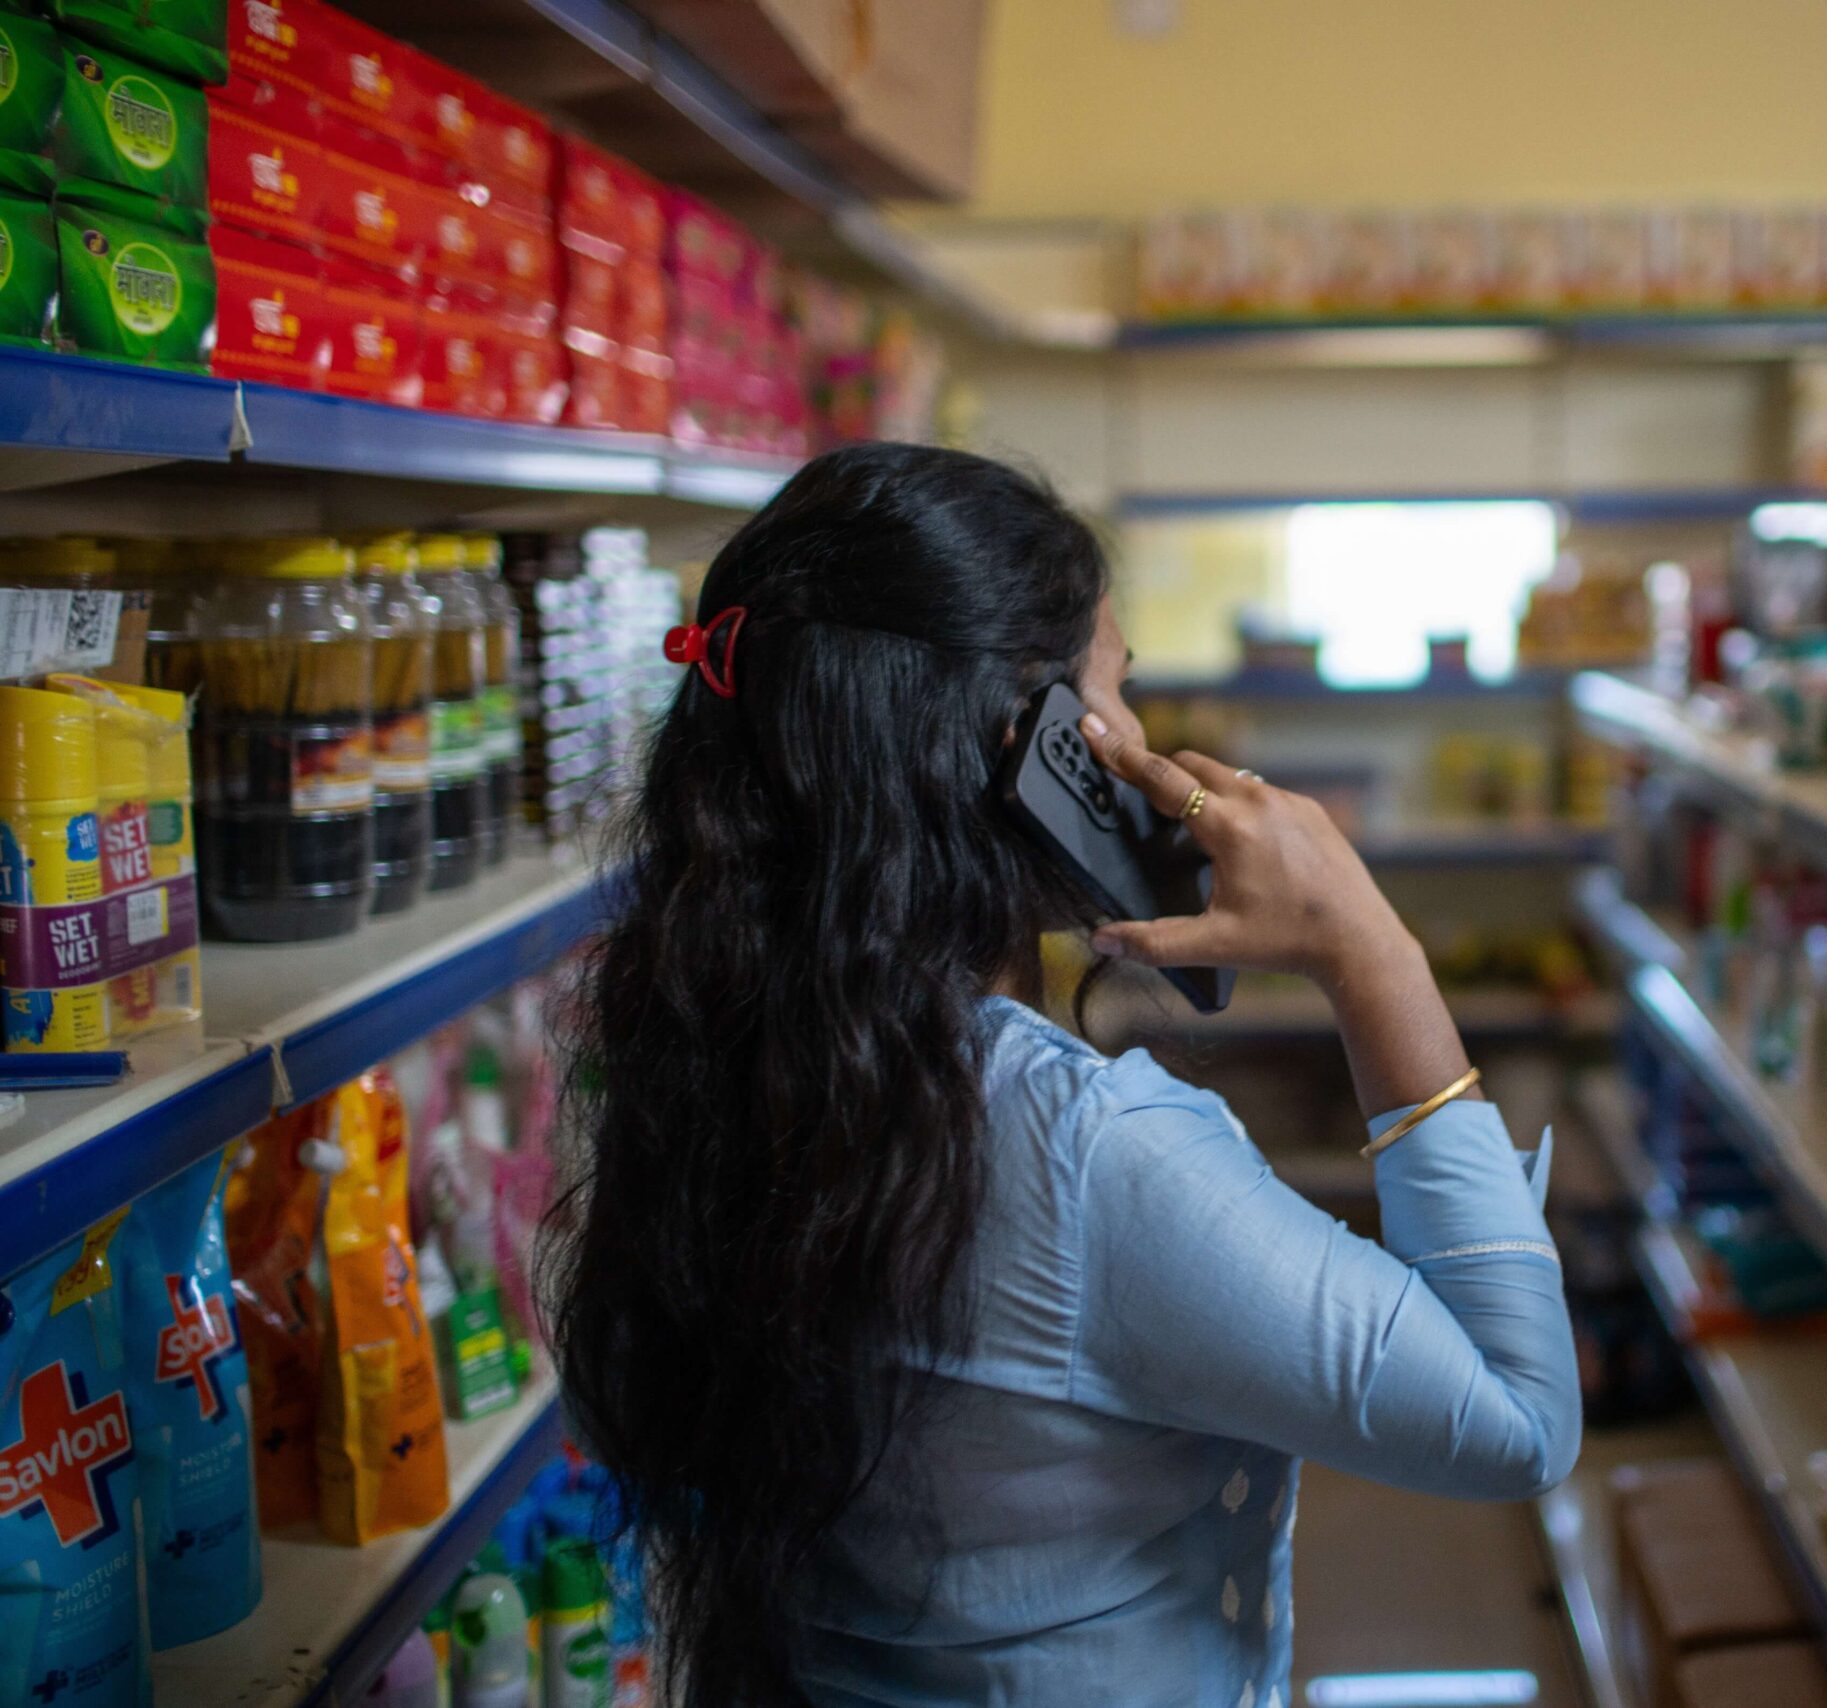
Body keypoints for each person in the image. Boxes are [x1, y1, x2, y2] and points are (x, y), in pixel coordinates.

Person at [544, 443, 1581, 1708]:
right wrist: (1371, 952)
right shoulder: (1093, 1153)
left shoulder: (700, 1040)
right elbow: (1518, 1417)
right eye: (1116, 689)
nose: (1142, 739)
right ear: (1030, 747)